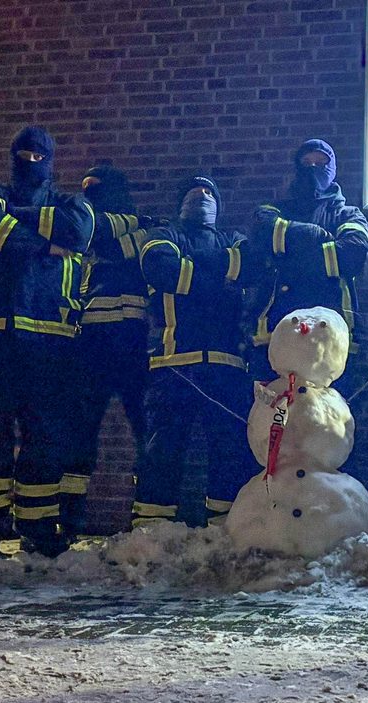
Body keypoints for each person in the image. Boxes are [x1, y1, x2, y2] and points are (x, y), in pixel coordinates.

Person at [0, 125, 94, 559]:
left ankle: (36, 525)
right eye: (24, 155)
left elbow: (76, 233)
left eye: (39, 157)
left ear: (50, 161)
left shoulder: (73, 204)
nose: (31, 163)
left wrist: (11, 225)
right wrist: (42, 245)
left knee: (44, 436)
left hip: (50, 340)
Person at [134, 176, 256, 527]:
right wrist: (221, 280)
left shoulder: (235, 239)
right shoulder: (162, 236)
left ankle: (223, 527)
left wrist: (191, 271)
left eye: (208, 192)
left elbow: (250, 265)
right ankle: (150, 530)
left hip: (227, 364)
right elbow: (160, 267)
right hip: (172, 363)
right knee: (162, 449)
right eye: (194, 191)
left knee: (229, 449)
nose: (201, 195)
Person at [58, 165, 155, 540]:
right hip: (89, 345)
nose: (90, 195)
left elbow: (111, 246)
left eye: (97, 189)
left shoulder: (142, 227)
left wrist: (96, 230)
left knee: (145, 431)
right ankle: (70, 519)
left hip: (132, 343)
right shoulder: (84, 226)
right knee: (79, 433)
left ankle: (146, 515)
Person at [246, 139, 368, 388]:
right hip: (274, 332)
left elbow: (353, 255)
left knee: (330, 421)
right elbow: (261, 234)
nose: (313, 167)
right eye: (307, 162)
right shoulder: (273, 210)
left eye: (321, 162)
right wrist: (317, 237)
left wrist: (289, 256)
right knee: (271, 420)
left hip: (332, 336)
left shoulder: (348, 214)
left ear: (332, 169)